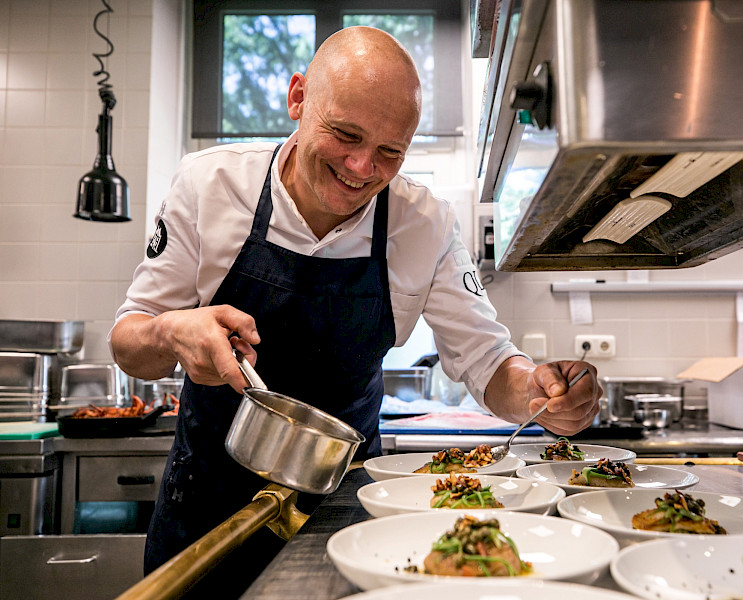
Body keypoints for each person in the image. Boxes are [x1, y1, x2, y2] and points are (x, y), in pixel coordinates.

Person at [110, 26, 600, 597]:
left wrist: (540, 389)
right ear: (298, 99)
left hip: (345, 516)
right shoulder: (210, 184)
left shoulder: (427, 224)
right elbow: (128, 343)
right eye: (345, 135)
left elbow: (489, 362)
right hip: (205, 508)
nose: (363, 168)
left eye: (390, 151)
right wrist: (171, 331)